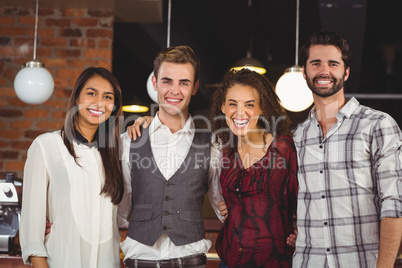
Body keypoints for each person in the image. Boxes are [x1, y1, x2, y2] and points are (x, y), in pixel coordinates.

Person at [292, 31, 402, 268]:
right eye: (316, 63)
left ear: (346, 72)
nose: (324, 71)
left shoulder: (378, 125)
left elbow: (394, 206)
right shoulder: (297, 137)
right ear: (304, 72)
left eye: (333, 63)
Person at [118, 45, 225, 268]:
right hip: (141, 257)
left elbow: (222, 205)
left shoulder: (212, 145)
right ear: (155, 83)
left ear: (195, 87)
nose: (175, 91)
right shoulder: (129, 140)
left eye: (184, 83)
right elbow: (120, 207)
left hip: (190, 259)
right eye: (167, 81)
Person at [19, 67, 124, 268]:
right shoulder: (46, 146)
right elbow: (32, 228)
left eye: (108, 97)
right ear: (76, 98)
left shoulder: (116, 155)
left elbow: (122, 214)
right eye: (91, 93)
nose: (99, 102)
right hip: (62, 260)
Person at [209, 68, 298, 267]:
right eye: (233, 104)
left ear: (262, 108)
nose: (240, 113)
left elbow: (303, 200)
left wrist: (301, 231)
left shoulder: (283, 147)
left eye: (250, 105)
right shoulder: (222, 147)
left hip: (273, 261)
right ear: (222, 107)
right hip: (228, 260)